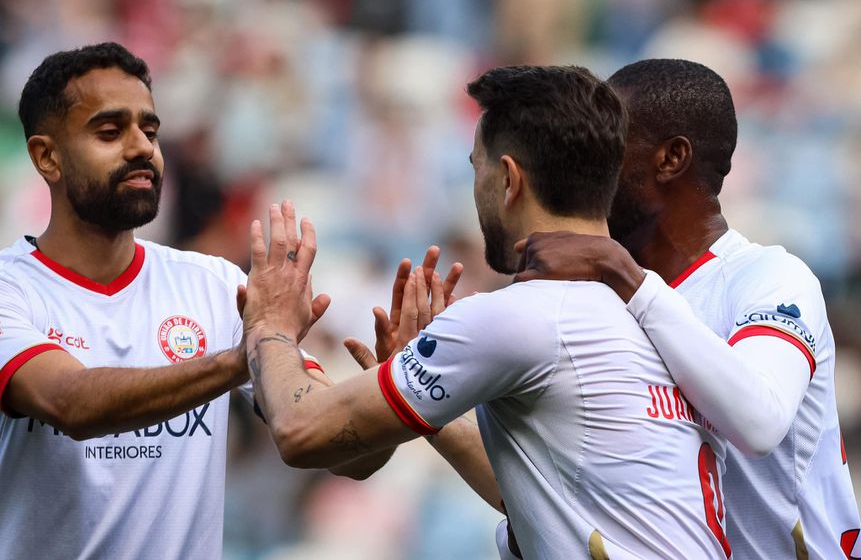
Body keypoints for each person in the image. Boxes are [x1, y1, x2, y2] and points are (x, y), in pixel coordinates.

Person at [240, 65, 732, 559]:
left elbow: (301, 431)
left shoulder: (521, 316)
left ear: (510, 179)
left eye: (478, 168)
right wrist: (425, 393)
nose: (476, 188)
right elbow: (542, 497)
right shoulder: (658, 315)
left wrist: (270, 324)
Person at [515, 58, 861, 558]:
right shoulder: (602, 300)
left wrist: (625, 276)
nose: (584, 164)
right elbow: (545, 498)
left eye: (607, 144)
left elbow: (758, 422)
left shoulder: (770, 278)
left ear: (671, 159)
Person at [0, 42, 332, 559]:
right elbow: (70, 403)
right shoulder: (10, 290)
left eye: (149, 131)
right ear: (47, 157)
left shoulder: (216, 286)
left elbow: (335, 443)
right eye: (110, 131)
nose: (142, 148)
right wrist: (251, 350)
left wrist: (410, 380)